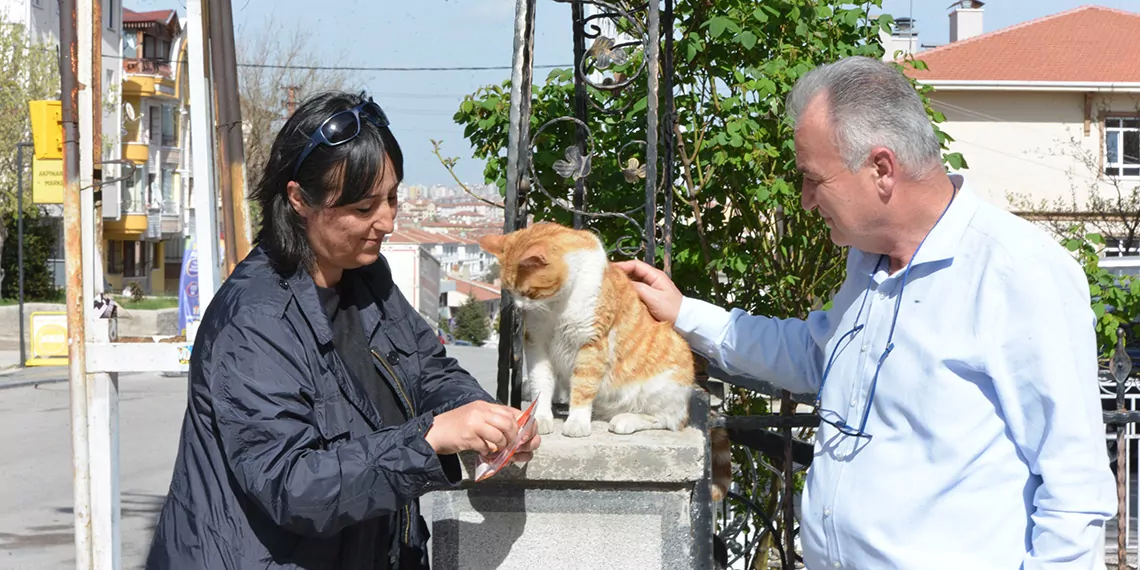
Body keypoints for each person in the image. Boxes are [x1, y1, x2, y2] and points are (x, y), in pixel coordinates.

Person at [619, 56, 1116, 568]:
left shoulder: (1017, 271)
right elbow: (818, 357)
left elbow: (1073, 488)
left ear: (881, 169)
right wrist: (683, 312)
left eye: (813, 178)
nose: (807, 200)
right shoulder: (868, 259)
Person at [146, 91, 539, 570]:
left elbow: (427, 370)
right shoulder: (254, 322)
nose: (388, 221)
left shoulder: (366, 277)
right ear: (299, 201)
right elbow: (293, 486)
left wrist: (484, 420)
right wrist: (428, 440)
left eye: (392, 198)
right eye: (363, 207)